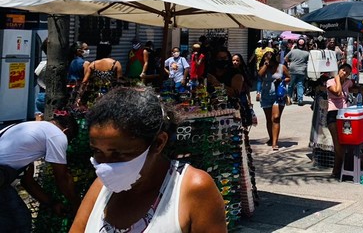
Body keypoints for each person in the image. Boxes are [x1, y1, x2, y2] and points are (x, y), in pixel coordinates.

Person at [69, 87, 226, 232]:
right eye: (97, 151)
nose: (106, 165)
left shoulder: (193, 189)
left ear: (158, 143)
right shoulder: (101, 186)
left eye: (119, 153)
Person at [0, 114, 80, 231]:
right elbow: (62, 178)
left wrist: (52, 203)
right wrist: (77, 205)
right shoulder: (57, 135)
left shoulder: (29, 129)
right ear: (66, 131)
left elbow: (28, 182)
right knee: (20, 222)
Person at [256, 51, 290, 150]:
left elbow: (289, 78)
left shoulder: (281, 67)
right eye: (267, 60)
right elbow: (259, 75)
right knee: (268, 119)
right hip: (266, 95)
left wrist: (282, 80)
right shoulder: (264, 68)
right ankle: (271, 138)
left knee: (275, 117)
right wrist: (266, 65)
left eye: (270, 60)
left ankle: (275, 142)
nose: (269, 62)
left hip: (278, 96)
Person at [326, 63, 353, 178]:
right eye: (343, 70)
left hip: (345, 114)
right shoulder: (330, 82)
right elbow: (337, 92)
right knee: (337, 143)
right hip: (333, 114)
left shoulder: (348, 82)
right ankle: (336, 170)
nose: (344, 73)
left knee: (345, 142)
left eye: (347, 72)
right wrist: (337, 78)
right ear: (339, 70)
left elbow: (354, 85)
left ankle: (341, 169)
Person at [76, 42, 123, 108]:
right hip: (110, 96)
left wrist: (80, 96)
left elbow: (84, 82)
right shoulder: (116, 64)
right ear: (109, 51)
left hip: (95, 97)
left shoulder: (93, 64)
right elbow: (120, 82)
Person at [285, 38, 310, 106]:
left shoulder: (293, 51)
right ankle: (300, 100)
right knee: (300, 85)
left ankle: (288, 98)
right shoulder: (307, 53)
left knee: (291, 85)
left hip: (293, 70)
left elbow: (285, 58)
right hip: (302, 70)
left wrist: (289, 62)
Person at [232, 53, 254, 128]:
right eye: (233, 60)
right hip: (232, 97)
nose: (235, 62)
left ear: (241, 62)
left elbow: (247, 87)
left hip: (242, 96)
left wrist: (249, 99)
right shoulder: (229, 72)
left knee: (244, 116)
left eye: (237, 60)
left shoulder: (244, 72)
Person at [33, 39, 48, 119]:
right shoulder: (48, 65)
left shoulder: (42, 64)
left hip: (41, 94)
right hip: (46, 95)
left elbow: (36, 76)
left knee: (39, 116)